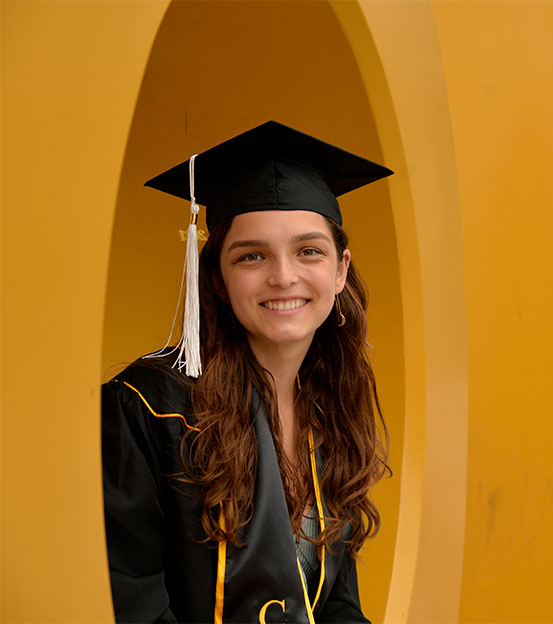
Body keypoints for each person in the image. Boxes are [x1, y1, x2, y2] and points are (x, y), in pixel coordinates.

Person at [101, 121, 392, 623]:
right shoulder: (150, 405)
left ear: (340, 270)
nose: (283, 275)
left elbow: (336, 604)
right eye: (252, 255)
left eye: (309, 251)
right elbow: (130, 603)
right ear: (216, 277)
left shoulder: (327, 413)